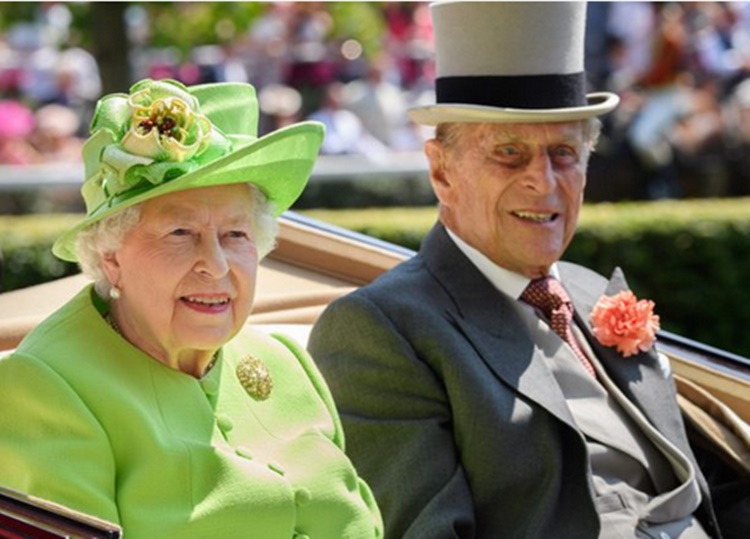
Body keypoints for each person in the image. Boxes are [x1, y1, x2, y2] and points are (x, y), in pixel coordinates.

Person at [309, 3, 732, 538]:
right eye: (509, 153)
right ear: (441, 171)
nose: (544, 181)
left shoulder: (588, 290)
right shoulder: (382, 330)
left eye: (563, 152)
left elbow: (710, 486)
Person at [0, 78, 383, 539]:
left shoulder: (287, 363)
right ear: (111, 257)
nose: (216, 265)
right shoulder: (44, 389)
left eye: (236, 235)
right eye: (180, 233)